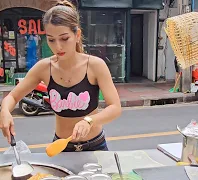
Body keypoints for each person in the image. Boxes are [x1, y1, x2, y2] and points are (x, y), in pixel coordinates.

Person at [0, 1, 121, 152]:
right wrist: (5, 111)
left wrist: (90, 121)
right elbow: (13, 97)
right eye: (51, 39)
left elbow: (115, 107)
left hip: (95, 146)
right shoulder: (44, 68)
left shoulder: (95, 65)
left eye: (64, 38)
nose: (58, 46)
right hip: (61, 147)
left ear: (77, 35)